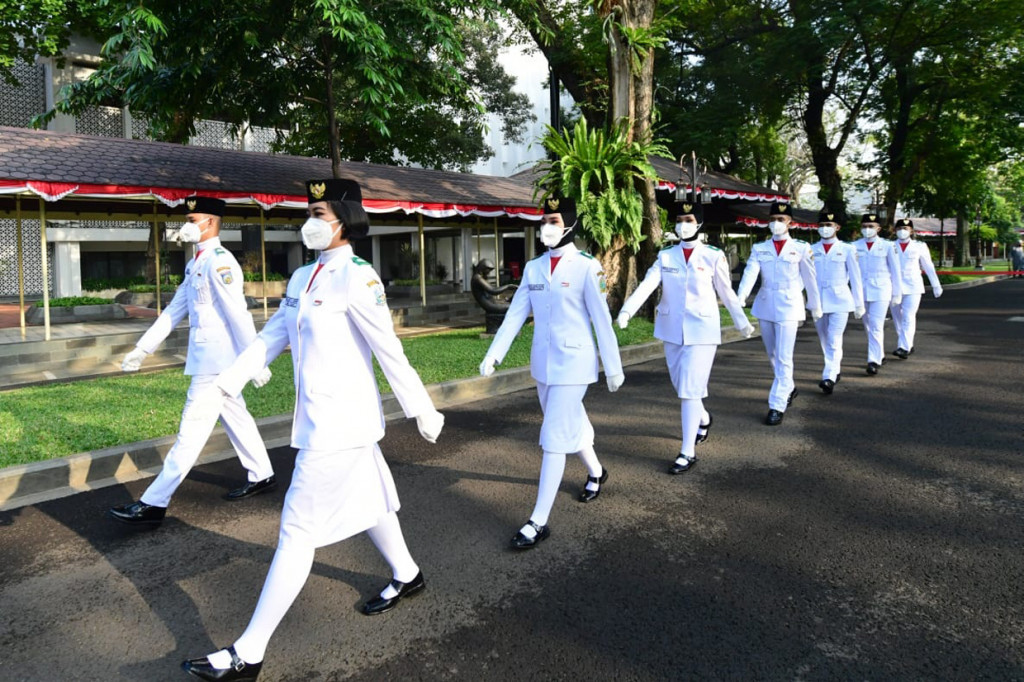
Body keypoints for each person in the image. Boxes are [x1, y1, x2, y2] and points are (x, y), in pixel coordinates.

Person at [181, 179, 445, 682]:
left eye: (319, 211)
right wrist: (226, 383)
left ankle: (248, 652)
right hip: (319, 420)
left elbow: (390, 351)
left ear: (344, 219)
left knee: (297, 532)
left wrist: (421, 409)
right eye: (309, 211)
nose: (310, 220)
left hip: (341, 425)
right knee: (371, 502)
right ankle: (408, 574)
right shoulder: (303, 277)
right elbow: (272, 335)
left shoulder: (359, 279)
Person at [109, 196, 275, 528]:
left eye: (191, 217)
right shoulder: (196, 262)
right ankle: (262, 473)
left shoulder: (220, 262)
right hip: (210, 360)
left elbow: (238, 315)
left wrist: (256, 361)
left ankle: (154, 502)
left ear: (210, 222)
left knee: (190, 432)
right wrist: (143, 349)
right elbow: (174, 311)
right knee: (236, 417)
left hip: (215, 364)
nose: (186, 224)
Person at [479, 195, 623, 550]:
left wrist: (613, 366)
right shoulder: (533, 268)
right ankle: (596, 471)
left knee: (554, 435)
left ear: (570, 224)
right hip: (543, 363)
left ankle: (538, 520)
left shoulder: (587, 267)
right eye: (544, 220)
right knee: (569, 421)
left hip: (575, 363)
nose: (547, 227)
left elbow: (602, 321)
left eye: (555, 220)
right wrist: (493, 354)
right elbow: (515, 315)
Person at [617, 199, 753, 473]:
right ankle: (702, 418)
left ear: (699, 224)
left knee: (689, 389)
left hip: (702, 331)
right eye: (680, 220)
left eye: (689, 221)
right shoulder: (666, 256)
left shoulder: (713, 255)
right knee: (684, 387)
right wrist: (627, 310)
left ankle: (687, 451)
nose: (683, 225)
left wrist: (742, 322)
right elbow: (648, 285)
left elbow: (726, 292)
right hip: (671, 329)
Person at [736, 201, 821, 426]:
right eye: (773, 220)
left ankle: (777, 404)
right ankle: (789, 387)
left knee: (784, 356)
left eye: (781, 220)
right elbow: (750, 273)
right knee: (772, 354)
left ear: (790, 223)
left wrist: (815, 304)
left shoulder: (801, 248)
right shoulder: (760, 248)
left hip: (790, 305)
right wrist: (741, 297)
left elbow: (810, 278)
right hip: (765, 304)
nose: (776, 223)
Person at [810, 208, 864, 394]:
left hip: (840, 299)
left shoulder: (848, 249)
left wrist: (859, 304)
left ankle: (828, 376)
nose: (825, 228)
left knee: (834, 338)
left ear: (837, 227)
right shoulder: (811, 249)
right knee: (824, 339)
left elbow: (856, 278)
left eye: (829, 225)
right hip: (818, 300)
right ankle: (834, 369)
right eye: (822, 225)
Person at [852, 213, 902, 375]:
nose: (867, 229)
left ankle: (873, 360)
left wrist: (897, 293)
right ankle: (879, 354)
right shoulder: (854, 246)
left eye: (871, 227)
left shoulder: (888, 246)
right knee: (868, 325)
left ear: (878, 229)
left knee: (875, 324)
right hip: (862, 290)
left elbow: (895, 271)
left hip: (881, 290)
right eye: (865, 226)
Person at [890, 218, 942, 358]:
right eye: (900, 229)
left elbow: (928, 265)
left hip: (913, 286)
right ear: (895, 231)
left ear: (911, 231)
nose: (902, 231)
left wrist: (935, 284)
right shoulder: (890, 246)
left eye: (905, 229)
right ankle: (907, 343)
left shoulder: (919, 246)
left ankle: (903, 347)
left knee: (908, 315)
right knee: (897, 317)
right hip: (894, 286)